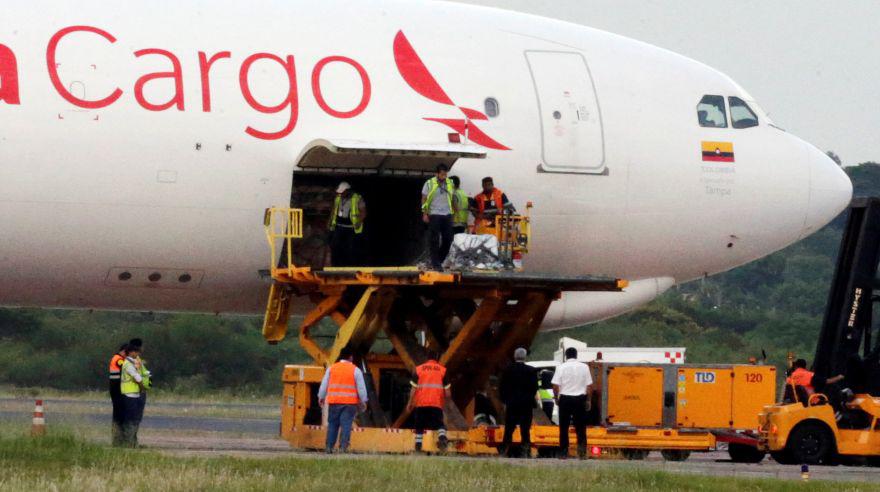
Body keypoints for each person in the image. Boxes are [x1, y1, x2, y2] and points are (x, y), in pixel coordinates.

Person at [318, 347, 368, 453]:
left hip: (334, 402)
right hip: (349, 404)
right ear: (351, 357)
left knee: (333, 424)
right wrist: (363, 400)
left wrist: (321, 397)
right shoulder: (355, 370)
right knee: (346, 425)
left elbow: (324, 385)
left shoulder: (332, 368)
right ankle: (343, 448)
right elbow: (361, 388)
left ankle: (329, 447)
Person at [552, 347, 592, 459]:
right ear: (576, 355)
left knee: (564, 427)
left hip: (565, 399)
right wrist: (588, 400)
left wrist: (556, 398)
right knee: (581, 428)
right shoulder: (585, 367)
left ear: (566, 356)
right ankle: (582, 453)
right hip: (580, 399)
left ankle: (564, 453)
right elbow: (589, 386)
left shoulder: (560, 367)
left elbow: (555, 385)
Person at [499, 347, 539, 458]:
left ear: (514, 356)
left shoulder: (507, 370)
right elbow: (534, 388)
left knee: (509, 429)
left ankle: (504, 451)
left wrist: (505, 400)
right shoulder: (531, 371)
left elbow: (502, 387)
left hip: (512, 404)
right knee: (525, 429)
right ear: (525, 357)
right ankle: (525, 452)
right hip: (526, 404)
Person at [407, 353, 450, 452]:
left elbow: (413, 389)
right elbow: (448, 393)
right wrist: (446, 404)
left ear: (426, 358)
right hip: (436, 403)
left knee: (419, 424)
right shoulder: (443, 370)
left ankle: (418, 445)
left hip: (421, 403)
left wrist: (410, 402)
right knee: (439, 423)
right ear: (437, 358)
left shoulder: (419, 369)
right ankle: (442, 436)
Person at [421, 165, 455, 270]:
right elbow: (424, 198)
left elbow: (452, 197)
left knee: (448, 238)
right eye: (442, 174)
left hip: (447, 214)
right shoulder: (429, 183)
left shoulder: (450, 183)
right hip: (434, 214)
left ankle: (438, 260)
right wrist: (425, 213)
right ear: (436, 174)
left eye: (445, 174)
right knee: (434, 239)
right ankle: (435, 263)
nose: (444, 176)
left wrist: (453, 212)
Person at [328, 181, 367, 267]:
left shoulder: (357, 198)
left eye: (342, 192)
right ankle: (335, 265)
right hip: (339, 227)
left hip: (350, 228)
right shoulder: (338, 198)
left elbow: (363, 212)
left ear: (347, 191)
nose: (340, 194)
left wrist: (358, 222)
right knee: (335, 246)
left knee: (349, 248)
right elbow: (333, 211)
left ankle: (348, 265)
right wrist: (330, 223)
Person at [119, 345, 146, 447]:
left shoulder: (134, 362)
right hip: (129, 395)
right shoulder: (128, 364)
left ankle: (132, 441)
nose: (138, 354)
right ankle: (129, 442)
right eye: (136, 352)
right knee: (131, 419)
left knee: (133, 419)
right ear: (131, 352)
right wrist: (143, 386)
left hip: (134, 394)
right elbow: (137, 377)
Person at [108, 343, 128, 446]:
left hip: (118, 389)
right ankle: (117, 439)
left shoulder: (119, 358)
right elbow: (125, 366)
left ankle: (120, 438)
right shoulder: (117, 358)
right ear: (123, 351)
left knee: (120, 414)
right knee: (118, 414)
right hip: (116, 389)